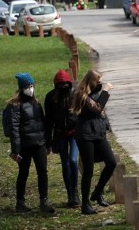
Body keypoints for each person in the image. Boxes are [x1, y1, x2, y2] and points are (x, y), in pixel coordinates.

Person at [6, 72, 56, 213]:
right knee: (23, 172)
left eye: (32, 85)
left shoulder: (36, 103)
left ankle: (44, 200)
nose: (31, 88)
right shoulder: (15, 105)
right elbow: (14, 129)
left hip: (39, 143)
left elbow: (43, 123)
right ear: (22, 88)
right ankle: (20, 202)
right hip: (25, 145)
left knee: (43, 172)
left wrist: (47, 143)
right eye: (28, 86)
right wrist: (15, 150)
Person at [69, 69, 116, 215]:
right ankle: (85, 204)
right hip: (86, 135)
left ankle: (97, 192)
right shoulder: (82, 95)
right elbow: (97, 108)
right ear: (91, 81)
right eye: (98, 81)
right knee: (88, 170)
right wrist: (106, 91)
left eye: (102, 81)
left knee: (111, 162)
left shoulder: (95, 94)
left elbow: (101, 113)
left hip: (99, 133)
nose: (101, 84)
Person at [45, 70, 79, 207]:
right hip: (60, 134)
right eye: (60, 85)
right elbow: (48, 121)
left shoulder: (76, 95)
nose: (63, 87)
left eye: (66, 84)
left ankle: (75, 191)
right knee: (65, 163)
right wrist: (49, 141)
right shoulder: (51, 98)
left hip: (75, 132)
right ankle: (70, 193)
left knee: (73, 160)